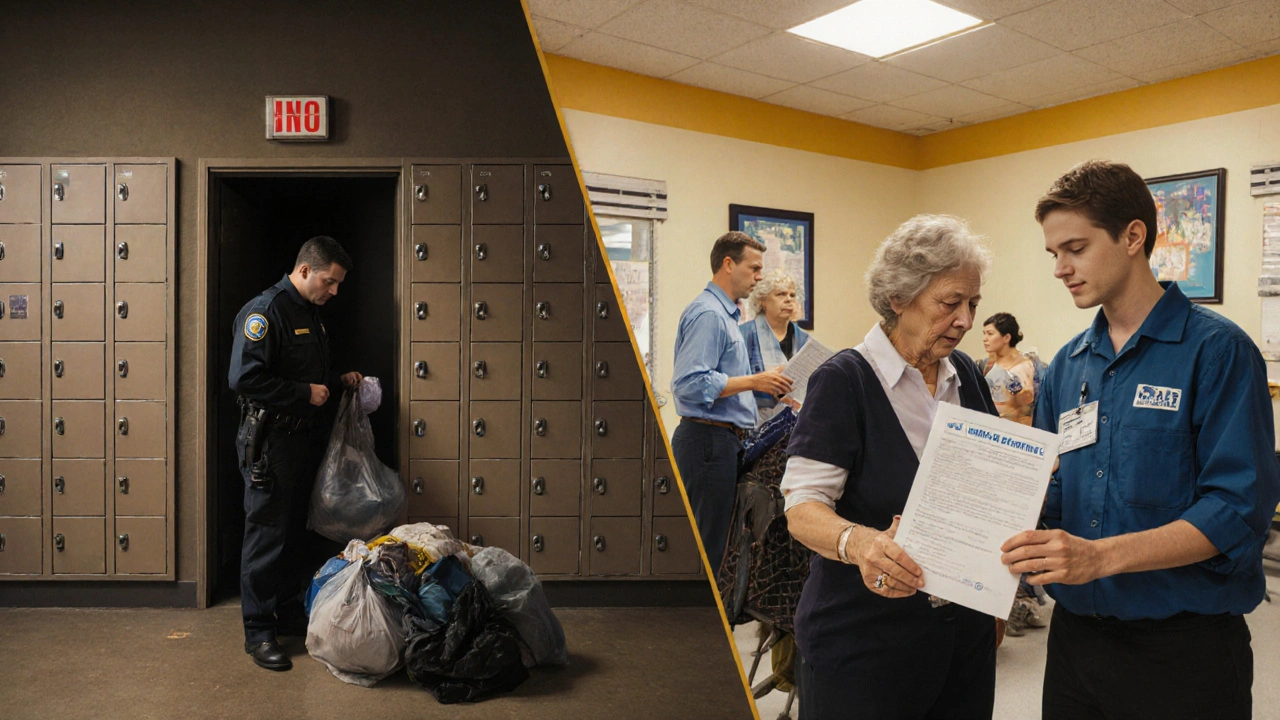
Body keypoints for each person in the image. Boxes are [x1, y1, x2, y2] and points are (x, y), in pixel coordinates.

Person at [1001, 160, 1280, 719]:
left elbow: (1236, 509)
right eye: (1053, 253)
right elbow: (1055, 499)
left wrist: (1099, 558)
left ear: (1133, 236)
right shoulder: (1066, 368)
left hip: (1183, 653)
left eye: (1075, 248)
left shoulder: (1217, 353)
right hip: (1076, 648)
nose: (1060, 268)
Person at [782, 215, 998, 719]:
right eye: (950, 303)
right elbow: (803, 507)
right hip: (865, 646)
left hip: (960, 639)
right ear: (899, 297)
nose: (965, 320)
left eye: (973, 304)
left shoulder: (965, 373)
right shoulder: (844, 380)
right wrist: (860, 543)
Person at [229, 235, 365, 671]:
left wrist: (337, 379)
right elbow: (245, 378)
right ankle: (258, 633)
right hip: (270, 443)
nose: (334, 291)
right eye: (329, 281)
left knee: (292, 534)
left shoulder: (308, 311)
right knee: (266, 535)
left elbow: (306, 368)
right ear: (305, 270)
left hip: (301, 440)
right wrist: (304, 392)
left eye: (338, 284)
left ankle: (285, 613)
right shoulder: (264, 312)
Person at [671, 231, 793, 573]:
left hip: (722, 441)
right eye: (754, 268)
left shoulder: (727, 316)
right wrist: (755, 380)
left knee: (720, 544)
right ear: (728, 264)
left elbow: (722, 383)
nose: (759, 277)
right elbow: (688, 383)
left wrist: (767, 383)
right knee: (708, 550)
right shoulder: (709, 315)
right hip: (706, 442)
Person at [740, 269, 810, 424]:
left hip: (795, 427)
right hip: (752, 426)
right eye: (780, 294)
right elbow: (735, 384)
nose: (788, 300)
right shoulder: (743, 335)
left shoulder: (805, 339)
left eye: (792, 295)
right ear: (762, 301)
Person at [979, 312, 1035, 425]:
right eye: (984, 334)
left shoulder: (1024, 367)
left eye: (990, 334)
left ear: (1006, 337)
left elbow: (1027, 409)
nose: (984, 339)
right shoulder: (985, 365)